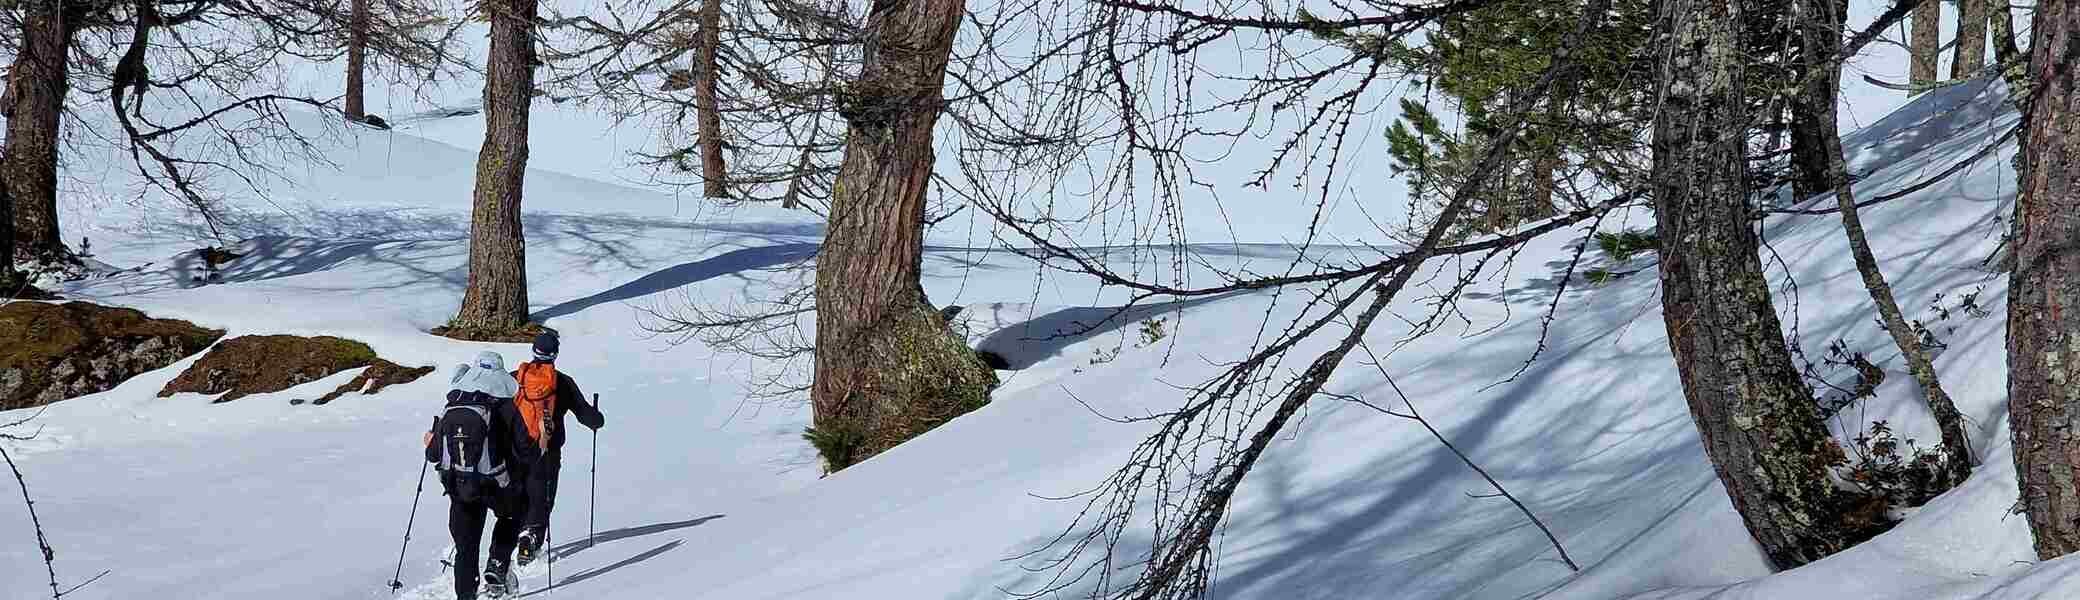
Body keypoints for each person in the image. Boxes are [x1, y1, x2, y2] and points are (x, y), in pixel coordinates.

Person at [425, 351, 538, 599]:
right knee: (514, 513)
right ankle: (497, 562)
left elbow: (433, 455)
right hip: (496, 484)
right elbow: (526, 450)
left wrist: (429, 442)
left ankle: (466, 595)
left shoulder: (452, 405)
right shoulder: (506, 406)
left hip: (460, 486)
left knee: (466, 548)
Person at [509, 330, 605, 565]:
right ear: (555, 355)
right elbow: (587, 417)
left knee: (519, 497)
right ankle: (531, 540)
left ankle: (510, 543)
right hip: (547, 451)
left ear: (533, 351)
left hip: (514, 451)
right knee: (543, 498)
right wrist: (597, 418)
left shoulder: (514, 379)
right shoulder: (561, 382)